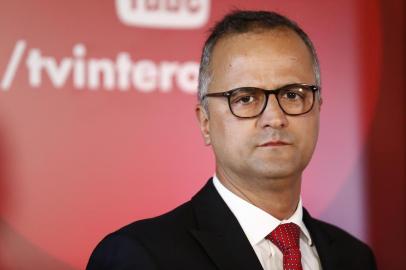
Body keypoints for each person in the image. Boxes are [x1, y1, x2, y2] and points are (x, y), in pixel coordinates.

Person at [87, 10, 377, 270]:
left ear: (318, 109)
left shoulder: (355, 258)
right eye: (246, 98)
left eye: (293, 95)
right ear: (205, 123)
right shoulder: (139, 256)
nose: (274, 118)